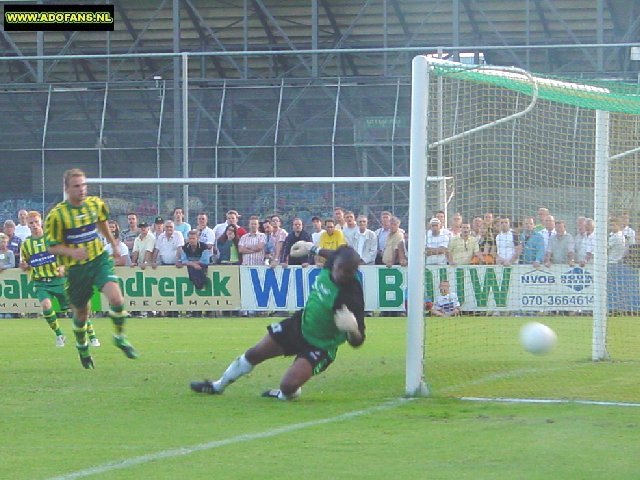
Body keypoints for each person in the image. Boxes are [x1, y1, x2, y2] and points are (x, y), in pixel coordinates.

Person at [190, 244, 366, 400]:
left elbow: (358, 341)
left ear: (354, 271)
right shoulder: (334, 261)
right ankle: (217, 386)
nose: (342, 274)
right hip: (299, 325)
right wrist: (311, 248)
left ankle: (284, 393)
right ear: (334, 264)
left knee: (288, 387)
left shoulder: (352, 296)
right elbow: (333, 253)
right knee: (254, 353)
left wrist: (353, 330)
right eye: (339, 268)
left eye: (348, 272)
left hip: (321, 346)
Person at [45, 168, 137, 369]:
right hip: (76, 269)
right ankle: (82, 347)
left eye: (84, 185)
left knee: (116, 298)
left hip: (98, 260)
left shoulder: (95, 204)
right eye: (77, 186)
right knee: (82, 313)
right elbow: (51, 246)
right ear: (67, 189)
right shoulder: (57, 215)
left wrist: (113, 244)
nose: (82, 190)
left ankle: (119, 337)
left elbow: (102, 223)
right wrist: (71, 252)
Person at [20, 211, 100, 347]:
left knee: (77, 309)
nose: (34, 225)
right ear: (27, 225)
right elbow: (26, 264)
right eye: (31, 223)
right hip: (41, 282)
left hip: (59, 281)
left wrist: (63, 266)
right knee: (46, 306)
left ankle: (92, 335)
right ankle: (59, 335)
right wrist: (24, 265)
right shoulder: (26, 244)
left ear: (41, 222)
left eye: (36, 222)